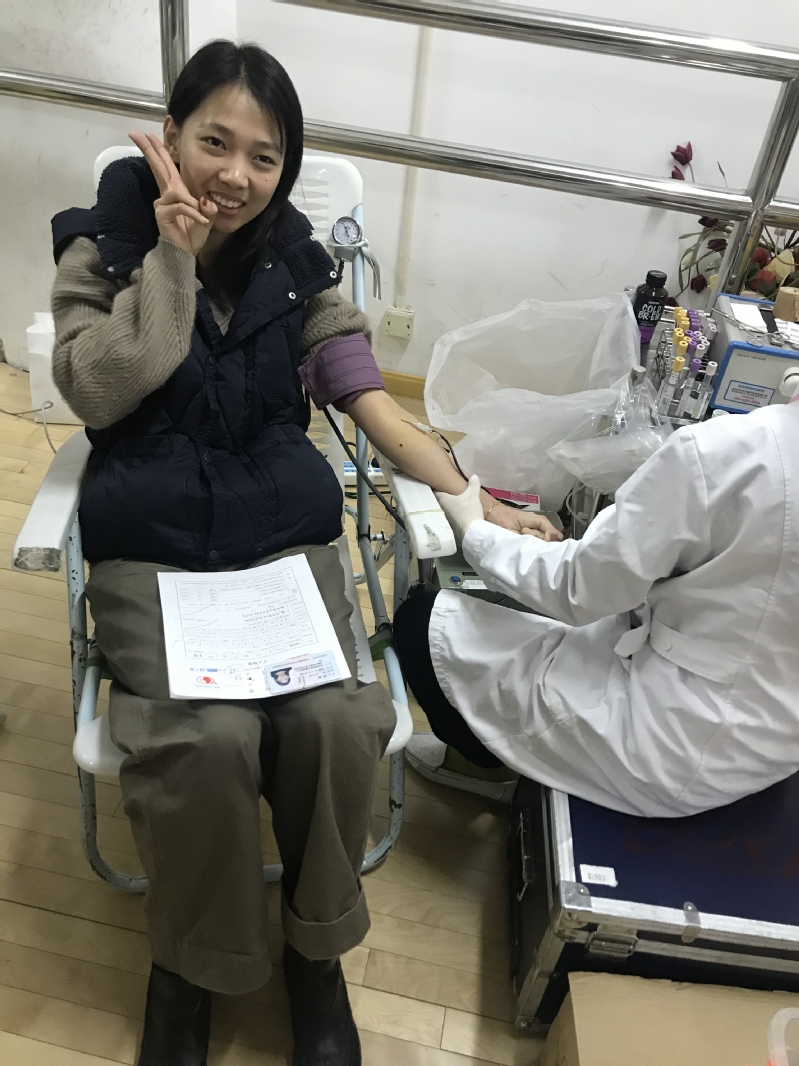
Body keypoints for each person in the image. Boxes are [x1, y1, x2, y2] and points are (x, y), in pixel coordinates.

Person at [49, 39, 559, 1066]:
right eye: (214, 142)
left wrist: (470, 503)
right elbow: (98, 389)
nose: (235, 175)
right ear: (171, 134)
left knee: (333, 719)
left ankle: (314, 956)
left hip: (278, 546)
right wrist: (173, 260)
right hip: (154, 551)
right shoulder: (102, 249)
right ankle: (190, 967)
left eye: (265, 155)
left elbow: (369, 398)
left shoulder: (299, 267)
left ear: (284, 168)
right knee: (207, 739)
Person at [394, 397, 799, 818]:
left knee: (418, 620)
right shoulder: (752, 454)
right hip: (773, 748)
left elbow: (579, 588)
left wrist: (474, 528)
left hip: (668, 742)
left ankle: (483, 770)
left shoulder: (730, 451)